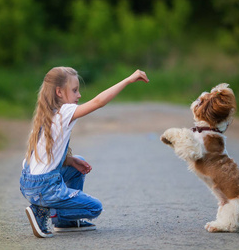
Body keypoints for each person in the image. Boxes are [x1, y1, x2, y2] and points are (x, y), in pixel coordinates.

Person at [20, 67, 149, 238]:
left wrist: (70, 161)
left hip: (28, 182)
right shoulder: (64, 112)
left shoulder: (46, 115)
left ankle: (64, 222)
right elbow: (98, 102)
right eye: (74, 90)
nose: (79, 95)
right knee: (94, 208)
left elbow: (44, 158)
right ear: (59, 92)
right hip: (43, 187)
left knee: (77, 161)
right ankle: (42, 210)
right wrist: (127, 80)